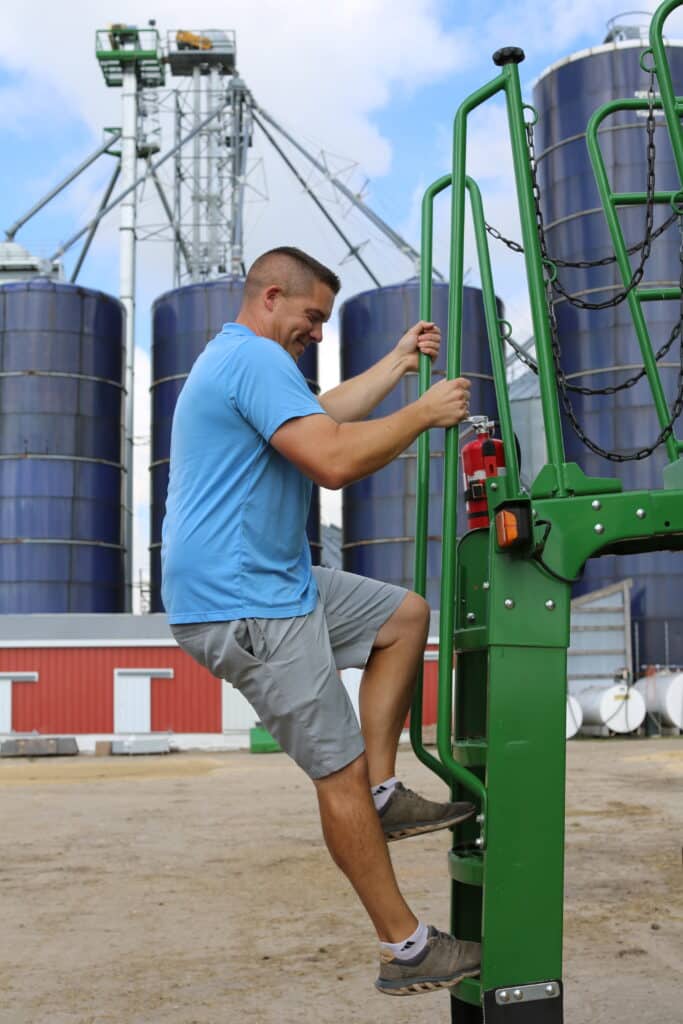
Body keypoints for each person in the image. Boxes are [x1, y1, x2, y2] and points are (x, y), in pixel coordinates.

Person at [162, 246, 479, 997]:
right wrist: (423, 413)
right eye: (312, 317)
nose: (316, 331)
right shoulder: (255, 359)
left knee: (403, 616)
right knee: (333, 772)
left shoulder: (247, 361)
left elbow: (324, 415)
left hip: (278, 581)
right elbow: (331, 460)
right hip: (244, 600)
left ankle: (381, 792)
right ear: (271, 297)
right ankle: (403, 948)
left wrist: (398, 365)